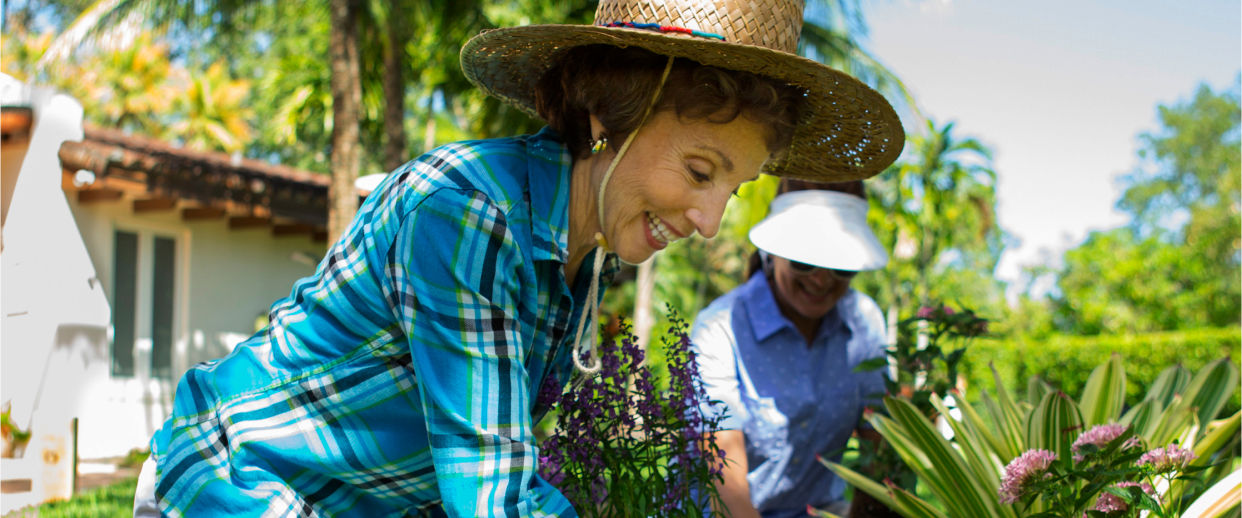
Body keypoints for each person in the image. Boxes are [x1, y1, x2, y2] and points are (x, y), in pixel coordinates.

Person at [134, 0, 904, 515]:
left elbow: (494, 468)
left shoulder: (577, 254)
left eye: (733, 190)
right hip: (240, 486)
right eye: (701, 172)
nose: (708, 221)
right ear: (608, 114)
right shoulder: (471, 209)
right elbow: (493, 501)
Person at [691, 179, 891, 518]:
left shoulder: (863, 321)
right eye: (804, 262)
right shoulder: (720, 328)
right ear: (773, 252)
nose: (822, 279)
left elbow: (880, 442)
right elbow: (727, 489)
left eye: (841, 266)